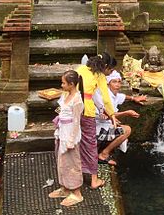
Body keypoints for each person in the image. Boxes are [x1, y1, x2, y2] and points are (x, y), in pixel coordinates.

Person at [75, 54, 118, 190]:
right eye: (110, 70)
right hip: (86, 111)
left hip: (72, 109)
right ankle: (94, 179)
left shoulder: (80, 69)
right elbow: (105, 98)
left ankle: (75, 171)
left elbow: (90, 95)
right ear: (105, 66)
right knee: (90, 143)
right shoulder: (99, 75)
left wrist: (102, 110)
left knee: (76, 140)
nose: (109, 73)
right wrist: (111, 114)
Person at [49, 70, 84, 207]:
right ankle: (65, 187)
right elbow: (61, 110)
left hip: (70, 134)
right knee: (62, 161)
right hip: (62, 131)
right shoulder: (65, 95)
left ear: (71, 84)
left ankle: (76, 192)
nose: (61, 85)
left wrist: (71, 140)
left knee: (73, 163)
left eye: (64, 83)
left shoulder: (77, 100)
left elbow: (76, 121)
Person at [93, 71, 145, 165]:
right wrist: (126, 112)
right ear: (108, 83)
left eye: (119, 82)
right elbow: (109, 114)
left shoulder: (114, 94)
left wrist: (134, 98)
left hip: (105, 126)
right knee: (127, 130)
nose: (117, 84)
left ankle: (109, 149)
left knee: (123, 135)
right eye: (114, 82)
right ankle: (104, 154)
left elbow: (123, 96)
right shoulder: (106, 96)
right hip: (98, 131)